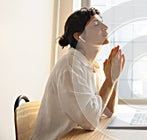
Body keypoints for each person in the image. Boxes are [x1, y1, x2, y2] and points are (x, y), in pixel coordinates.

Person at [31, 7, 125, 139]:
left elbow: (108, 110)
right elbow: (90, 120)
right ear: (79, 37)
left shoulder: (92, 66)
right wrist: (109, 80)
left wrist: (114, 77)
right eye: (96, 24)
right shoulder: (70, 67)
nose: (105, 27)